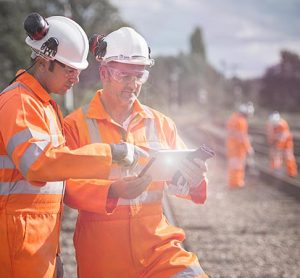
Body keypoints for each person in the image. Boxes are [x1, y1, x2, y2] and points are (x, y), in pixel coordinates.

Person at [0, 14, 148, 278]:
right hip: (17, 245)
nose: (75, 79)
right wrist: (111, 153)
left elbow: (59, 175)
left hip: (35, 242)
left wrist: (53, 254)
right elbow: (38, 164)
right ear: (44, 61)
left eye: (78, 71)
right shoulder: (19, 102)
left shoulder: (43, 106)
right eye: (69, 69)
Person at [64, 27, 209, 277]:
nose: (132, 84)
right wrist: (111, 191)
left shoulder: (162, 123)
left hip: (158, 249)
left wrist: (195, 180)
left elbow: (178, 183)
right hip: (103, 257)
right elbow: (65, 187)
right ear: (104, 73)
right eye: (124, 75)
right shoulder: (74, 126)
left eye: (139, 76)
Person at [226, 102, 254, 188]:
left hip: (231, 146)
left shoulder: (233, 118)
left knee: (232, 165)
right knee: (238, 166)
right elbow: (243, 137)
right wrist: (249, 148)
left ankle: (232, 182)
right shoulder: (242, 121)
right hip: (238, 148)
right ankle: (237, 183)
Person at [266, 111, 297, 177]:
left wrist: (278, 147)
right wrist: (272, 144)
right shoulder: (272, 125)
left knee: (289, 158)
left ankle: (292, 173)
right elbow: (272, 136)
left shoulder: (283, 125)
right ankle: (275, 171)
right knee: (275, 157)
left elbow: (283, 138)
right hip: (277, 144)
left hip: (287, 145)